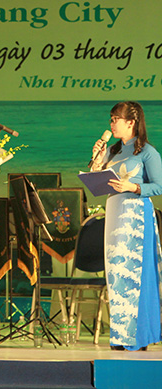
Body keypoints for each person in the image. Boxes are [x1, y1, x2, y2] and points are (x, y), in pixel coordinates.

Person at [90, 101, 162, 351]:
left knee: (135, 273)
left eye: (115, 119)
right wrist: (97, 158)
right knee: (116, 272)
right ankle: (120, 335)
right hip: (114, 212)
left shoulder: (147, 153)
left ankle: (137, 336)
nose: (111, 124)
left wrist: (134, 187)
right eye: (110, 119)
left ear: (131, 122)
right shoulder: (112, 150)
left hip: (136, 216)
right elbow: (96, 182)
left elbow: (159, 186)